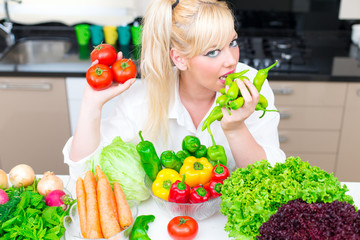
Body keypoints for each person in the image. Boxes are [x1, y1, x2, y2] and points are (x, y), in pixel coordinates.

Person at [63, 0, 285, 179]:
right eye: (213, 52)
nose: (231, 61)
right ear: (179, 59)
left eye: (232, 43)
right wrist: (91, 104)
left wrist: (236, 129)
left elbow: (271, 178)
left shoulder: (250, 85)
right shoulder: (143, 98)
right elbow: (84, 174)